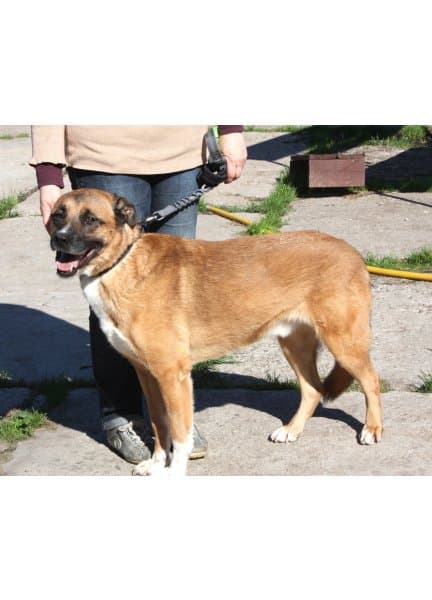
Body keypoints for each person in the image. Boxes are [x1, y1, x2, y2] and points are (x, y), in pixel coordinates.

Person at [30, 125, 247, 465]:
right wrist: (48, 172)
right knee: (114, 298)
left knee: (175, 301)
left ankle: (174, 419)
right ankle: (121, 416)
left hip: (182, 151)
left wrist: (231, 130)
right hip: (105, 153)